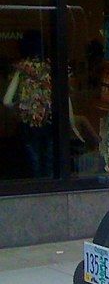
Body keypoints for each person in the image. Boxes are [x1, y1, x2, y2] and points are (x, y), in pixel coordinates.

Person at [2, 31, 53, 178]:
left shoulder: (21, 70)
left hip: (28, 123)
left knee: (34, 164)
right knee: (51, 164)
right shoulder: (51, 69)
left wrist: (19, 111)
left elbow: (7, 101)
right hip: (50, 122)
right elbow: (64, 99)